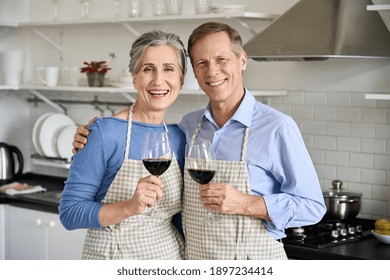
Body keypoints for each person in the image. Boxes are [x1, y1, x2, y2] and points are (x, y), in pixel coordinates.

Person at [73, 22, 327, 260]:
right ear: (193, 72)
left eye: (221, 59)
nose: (212, 71)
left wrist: (247, 203)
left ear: (242, 61)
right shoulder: (187, 127)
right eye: (202, 63)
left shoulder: (276, 127)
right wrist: (93, 136)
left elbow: (312, 207)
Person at [59, 30, 187, 260]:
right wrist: (129, 207)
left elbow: (177, 217)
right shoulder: (104, 132)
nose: (159, 80)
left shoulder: (179, 137)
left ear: (181, 79)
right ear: (135, 78)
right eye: (148, 69)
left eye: (168, 69)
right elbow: (70, 213)